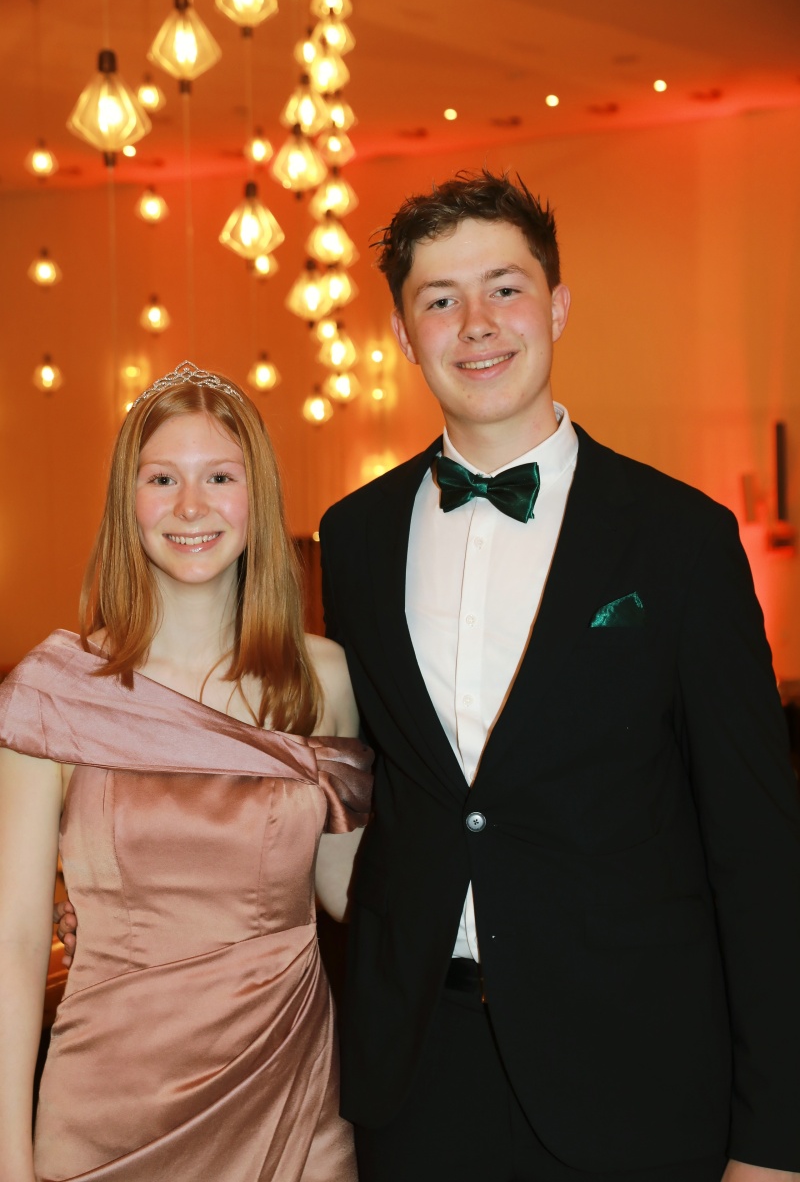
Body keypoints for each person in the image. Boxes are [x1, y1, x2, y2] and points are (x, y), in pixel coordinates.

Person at [318, 172, 800, 1182]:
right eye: (439, 299)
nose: (476, 324)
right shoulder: (353, 539)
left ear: (557, 306)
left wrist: (773, 1140)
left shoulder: (679, 539)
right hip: (417, 1080)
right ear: (403, 335)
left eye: (505, 288)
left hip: (634, 1079)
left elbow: (757, 852)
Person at [0, 362, 372, 1182]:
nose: (191, 506)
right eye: (162, 478)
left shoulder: (324, 679)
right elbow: (15, 941)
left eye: (220, 478)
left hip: (291, 1103)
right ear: (127, 501)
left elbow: (352, 890)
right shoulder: (50, 693)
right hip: (108, 1114)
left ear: (256, 498)